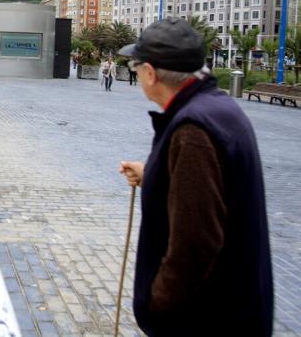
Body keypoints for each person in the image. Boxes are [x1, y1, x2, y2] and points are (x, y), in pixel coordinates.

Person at [117, 18, 273, 336]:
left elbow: (196, 243)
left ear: (150, 73)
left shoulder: (193, 129)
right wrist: (154, 175)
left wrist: (157, 304)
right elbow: (211, 188)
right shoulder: (217, 107)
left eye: (136, 68)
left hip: (206, 319)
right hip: (235, 308)